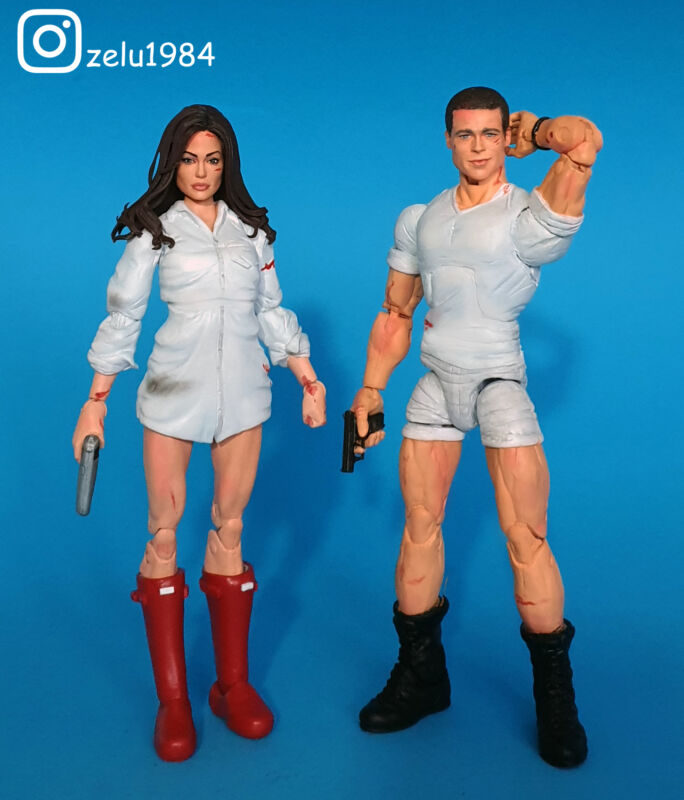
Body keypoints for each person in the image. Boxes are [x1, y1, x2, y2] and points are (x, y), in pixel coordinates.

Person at [350, 87, 601, 768]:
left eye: (491, 133)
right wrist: (371, 388)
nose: (479, 146)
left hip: (498, 385)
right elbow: (396, 312)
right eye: (466, 134)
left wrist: (537, 131)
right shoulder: (420, 219)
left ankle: (556, 697)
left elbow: (585, 142)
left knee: (526, 538)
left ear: (503, 136)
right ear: (448, 140)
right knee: (418, 528)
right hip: (435, 382)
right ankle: (422, 677)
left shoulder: (526, 215)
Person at [72, 105, 326, 762]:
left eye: (213, 160)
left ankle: (231, 685)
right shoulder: (154, 233)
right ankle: (173, 698)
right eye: (189, 159)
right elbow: (123, 317)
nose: (202, 171)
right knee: (163, 532)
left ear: (227, 164)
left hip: (243, 394)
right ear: (172, 163)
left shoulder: (251, 233)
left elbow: (270, 309)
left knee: (230, 528)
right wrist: (96, 402)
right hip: (173, 392)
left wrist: (306, 375)